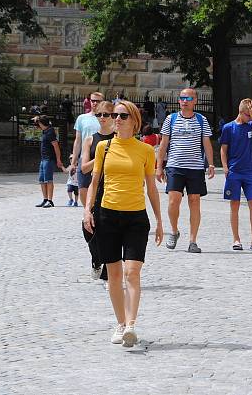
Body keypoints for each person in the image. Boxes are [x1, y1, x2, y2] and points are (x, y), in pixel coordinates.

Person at [83, 100, 163, 347]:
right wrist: (87, 210)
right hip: (107, 215)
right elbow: (94, 182)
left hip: (136, 218)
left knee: (133, 272)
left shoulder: (146, 151)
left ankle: (131, 324)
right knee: (114, 274)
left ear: (134, 120)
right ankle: (120, 324)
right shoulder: (103, 148)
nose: (116, 119)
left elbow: (151, 188)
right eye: (112, 115)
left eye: (122, 116)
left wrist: (160, 221)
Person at [155, 88, 215, 254]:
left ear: (195, 100)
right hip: (175, 165)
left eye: (189, 97)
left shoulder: (202, 120)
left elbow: (207, 144)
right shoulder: (171, 119)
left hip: (195, 167)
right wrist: (159, 167)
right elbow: (163, 145)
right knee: (174, 200)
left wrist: (211, 164)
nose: (185, 100)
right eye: (182, 98)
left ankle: (193, 241)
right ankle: (174, 231)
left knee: (195, 201)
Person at [219, 98, 252, 251]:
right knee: (235, 205)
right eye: (248, 115)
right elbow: (223, 149)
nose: (249, 118)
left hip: (251, 171)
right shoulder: (228, 127)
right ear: (241, 112)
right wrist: (225, 168)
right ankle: (236, 239)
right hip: (234, 171)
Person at [80, 100, 116, 282]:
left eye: (106, 114)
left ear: (113, 116)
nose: (102, 118)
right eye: (99, 114)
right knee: (88, 228)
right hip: (95, 188)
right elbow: (84, 168)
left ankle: (108, 268)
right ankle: (96, 259)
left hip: (114, 187)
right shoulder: (90, 139)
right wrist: (102, 155)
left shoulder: (120, 139)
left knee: (110, 229)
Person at [72, 92, 105, 209]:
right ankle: (88, 211)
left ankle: (98, 211)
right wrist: (73, 162)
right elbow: (78, 140)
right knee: (82, 188)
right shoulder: (82, 118)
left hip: (102, 156)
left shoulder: (106, 118)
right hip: (85, 157)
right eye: (93, 100)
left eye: (98, 101)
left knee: (100, 187)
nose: (95, 103)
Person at [35, 116, 64, 208]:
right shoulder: (45, 130)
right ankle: (45, 199)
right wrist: (37, 118)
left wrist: (58, 159)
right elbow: (34, 122)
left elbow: (56, 146)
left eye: (39, 123)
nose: (38, 125)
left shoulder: (50, 132)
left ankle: (50, 201)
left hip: (49, 159)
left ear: (42, 123)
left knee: (48, 180)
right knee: (42, 180)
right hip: (43, 159)